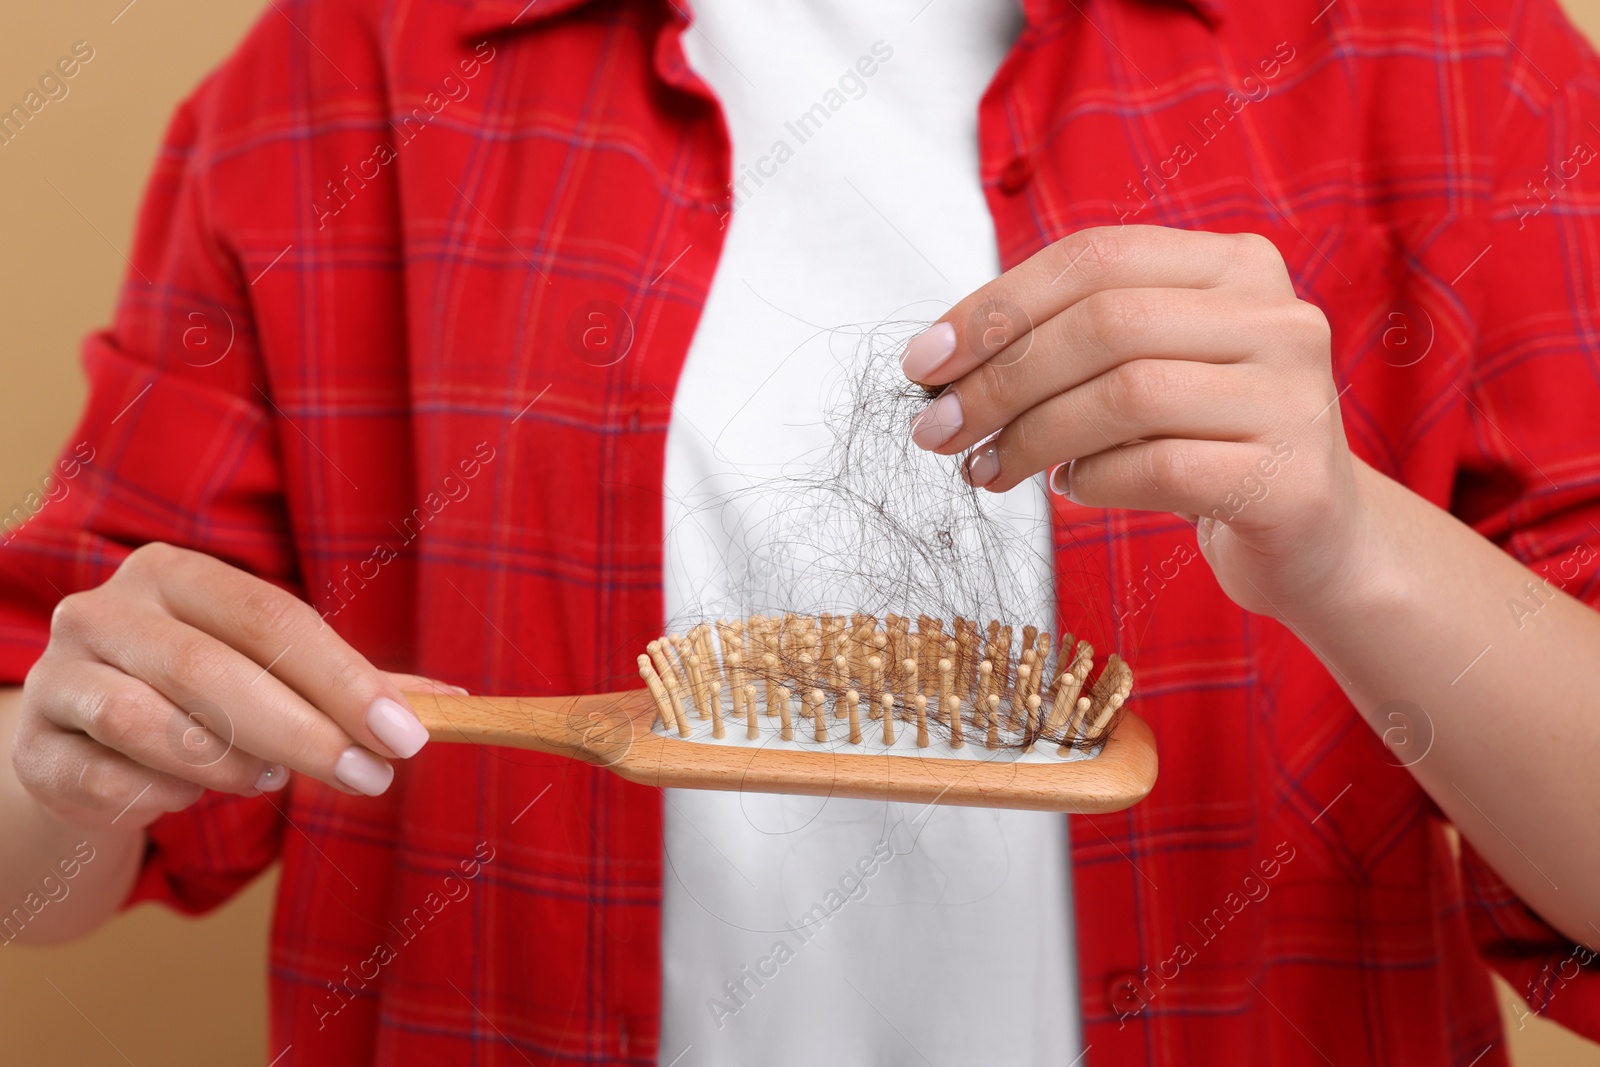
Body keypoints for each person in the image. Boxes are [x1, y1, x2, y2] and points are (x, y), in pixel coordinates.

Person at [2, 0, 1599, 1063]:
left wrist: (1344, 548)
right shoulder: (342, 74)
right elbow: (39, 872)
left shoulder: (1445, 54)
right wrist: (56, 764)